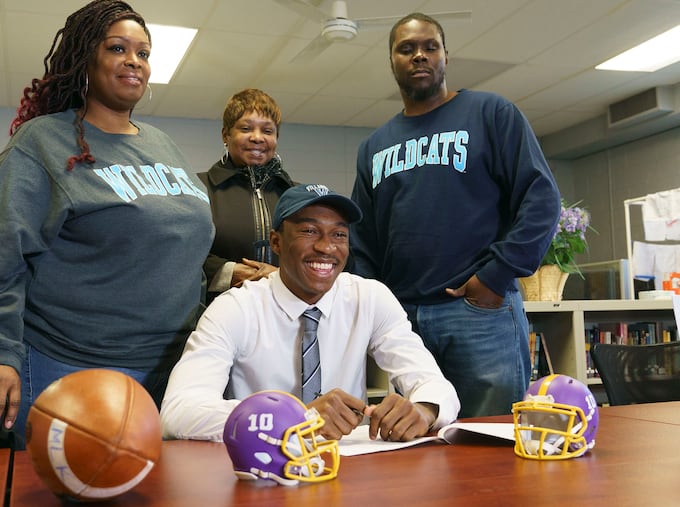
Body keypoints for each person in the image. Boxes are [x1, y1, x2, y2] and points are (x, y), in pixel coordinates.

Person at [0, 0, 214, 445]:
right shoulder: (43, 143)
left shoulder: (164, 145)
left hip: (172, 371)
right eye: (117, 48)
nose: (134, 61)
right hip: (68, 367)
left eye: (143, 53)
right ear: (85, 58)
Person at [350, 13, 561, 418]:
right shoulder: (374, 146)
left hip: (479, 311)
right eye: (406, 49)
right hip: (405, 322)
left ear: (446, 55)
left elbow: (541, 199)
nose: (419, 56)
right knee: (418, 446)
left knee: (493, 441)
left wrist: (495, 277)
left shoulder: (492, 113)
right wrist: (381, 308)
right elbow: (363, 239)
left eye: (430, 46)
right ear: (391, 61)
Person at [160, 183, 460, 442]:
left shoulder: (370, 297)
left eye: (339, 235)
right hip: (264, 468)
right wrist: (293, 417)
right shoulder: (235, 308)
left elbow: (434, 385)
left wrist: (423, 409)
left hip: (353, 467)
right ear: (276, 241)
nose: (326, 247)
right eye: (309, 231)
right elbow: (179, 411)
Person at [198, 88, 294, 302]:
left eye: (267, 131)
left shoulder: (295, 196)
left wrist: (279, 276)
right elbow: (183, 251)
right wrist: (230, 272)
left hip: (285, 312)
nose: (257, 138)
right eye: (245, 128)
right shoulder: (198, 188)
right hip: (220, 311)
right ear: (226, 135)